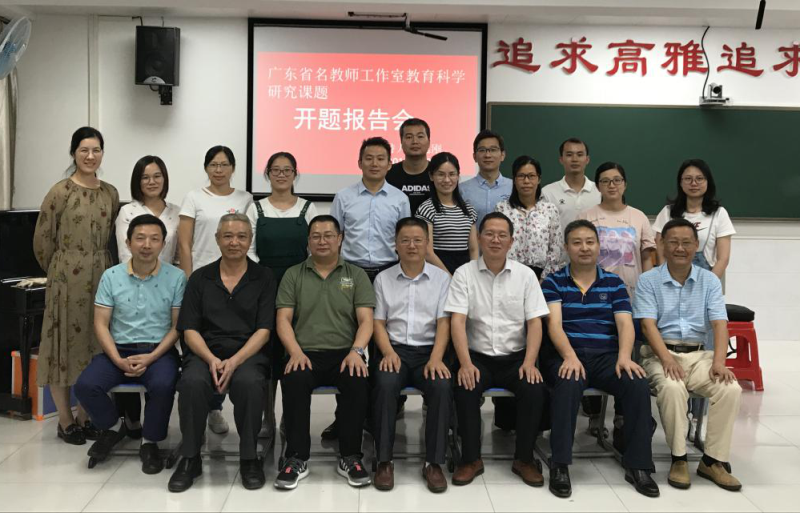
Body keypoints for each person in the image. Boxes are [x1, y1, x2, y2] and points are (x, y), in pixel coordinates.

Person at [540, 220, 658, 499]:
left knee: (636, 383)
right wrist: (569, 356)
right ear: (566, 247)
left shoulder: (614, 283)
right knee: (568, 382)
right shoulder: (553, 282)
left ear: (598, 246)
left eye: (589, 242)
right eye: (577, 242)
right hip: (567, 354)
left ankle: (639, 465)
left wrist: (625, 357)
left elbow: (625, 324)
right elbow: (554, 325)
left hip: (607, 356)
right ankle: (560, 464)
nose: (584, 248)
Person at [168, 213, 276, 493]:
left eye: (241, 236)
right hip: (205, 352)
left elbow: (264, 330)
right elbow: (189, 329)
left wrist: (235, 361)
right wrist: (213, 360)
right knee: (192, 383)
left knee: (249, 383)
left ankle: (249, 458)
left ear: (250, 240)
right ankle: (190, 458)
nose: (234, 242)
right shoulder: (200, 278)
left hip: (249, 353)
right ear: (217, 239)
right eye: (227, 236)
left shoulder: (264, 277)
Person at [634, 218, 742, 492]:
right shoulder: (648, 280)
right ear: (662, 245)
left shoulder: (709, 281)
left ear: (696, 245)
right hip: (659, 354)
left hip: (699, 356)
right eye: (673, 242)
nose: (679, 248)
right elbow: (647, 325)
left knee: (730, 388)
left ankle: (712, 461)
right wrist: (666, 358)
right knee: (672, 388)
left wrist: (719, 362)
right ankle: (679, 458)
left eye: (686, 242)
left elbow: (720, 324)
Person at [74, 214, 185, 474]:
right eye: (140, 238)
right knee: (85, 386)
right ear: (128, 242)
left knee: (163, 385)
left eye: (154, 239)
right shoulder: (111, 276)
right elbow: (101, 324)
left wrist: (151, 357)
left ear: (163, 244)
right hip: (118, 350)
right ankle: (113, 428)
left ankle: (150, 442)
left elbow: (177, 327)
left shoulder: (177, 277)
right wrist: (117, 359)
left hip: (159, 351)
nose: (147, 245)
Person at [445, 212, 549, 487]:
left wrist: (530, 362)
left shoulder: (525, 275)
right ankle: (470, 459)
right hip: (476, 357)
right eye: (489, 234)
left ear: (511, 241)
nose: (495, 240)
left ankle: (524, 459)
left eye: (502, 235)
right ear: (479, 238)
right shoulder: (464, 274)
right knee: (465, 387)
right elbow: (457, 321)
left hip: (516, 358)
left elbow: (535, 322)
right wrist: (465, 363)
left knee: (534, 389)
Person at [274, 215, 375, 490]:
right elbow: (283, 319)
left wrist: (357, 351)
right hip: (304, 352)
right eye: (316, 236)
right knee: (294, 380)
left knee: (357, 381)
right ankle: (296, 457)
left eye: (328, 235)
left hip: (345, 352)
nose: (322, 241)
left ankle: (350, 456)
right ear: (308, 241)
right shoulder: (293, 274)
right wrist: (294, 352)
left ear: (340, 239)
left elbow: (366, 320)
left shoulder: (356, 275)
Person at [33, 126, 119, 445]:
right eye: (84, 150)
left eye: (96, 150)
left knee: (95, 346)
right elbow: (42, 241)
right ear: (73, 153)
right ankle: (65, 420)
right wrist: (61, 270)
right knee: (62, 348)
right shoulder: (60, 192)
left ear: (102, 153)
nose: (90, 156)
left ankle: (85, 415)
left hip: (102, 277)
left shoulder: (110, 193)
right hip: (65, 281)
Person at [371, 217, 453, 493]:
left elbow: (444, 323)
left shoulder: (442, 279)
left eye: (418, 240)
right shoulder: (383, 279)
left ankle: (434, 462)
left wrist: (437, 358)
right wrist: (387, 352)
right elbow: (378, 323)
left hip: (430, 351)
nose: (412, 245)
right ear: (395, 244)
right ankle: (384, 461)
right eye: (405, 240)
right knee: (384, 384)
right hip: (394, 350)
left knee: (441, 386)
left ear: (427, 244)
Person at [178, 145, 253, 435]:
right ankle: (209, 407)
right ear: (206, 168)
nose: (218, 170)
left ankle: (216, 406)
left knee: (229, 341)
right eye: (213, 164)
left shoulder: (245, 199)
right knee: (204, 342)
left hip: (236, 280)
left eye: (224, 165)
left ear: (233, 168)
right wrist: (189, 279)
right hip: (204, 280)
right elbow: (185, 243)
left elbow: (249, 239)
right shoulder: (194, 197)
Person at [246, 151, 318, 438]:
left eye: (287, 170)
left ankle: (291, 415)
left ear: (295, 174)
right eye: (275, 170)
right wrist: (262, 275)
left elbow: (315, 249)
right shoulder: (256, 209)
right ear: (267, 174)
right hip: (263, 286)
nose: (281, 175)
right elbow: (249, 248)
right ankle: (268, 416)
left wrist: (300, 278)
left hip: (300, 286)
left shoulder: (308, 208)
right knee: (268, 353)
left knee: (294, 351)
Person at [331, 136, 411, 282]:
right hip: (350, 270)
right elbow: (334, 236)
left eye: (380, 159)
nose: (374, 164)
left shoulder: (400, 199)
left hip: (389, 270)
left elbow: (405, 238)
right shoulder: (343, 197)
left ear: (389, 164)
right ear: (360, 163)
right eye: (369, 158)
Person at [577, 162, 655, 299]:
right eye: (605, 181)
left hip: (633, 293)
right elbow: (578, 258)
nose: (612, 185)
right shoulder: (585, 217)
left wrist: (647, 291)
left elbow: (646, 258)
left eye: (617, 180)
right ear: (597, 186)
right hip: (595, 291)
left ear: (625, 184)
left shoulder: (639, 216)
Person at [653, 159, 734, 280]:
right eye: (688, 179)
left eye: (699, 178)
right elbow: (660, 250)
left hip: (706, 279)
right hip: (670, 280)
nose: (694, 183)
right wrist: (666, 279)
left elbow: (723, 259)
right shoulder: (667, 212)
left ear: (708, 182)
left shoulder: (719, 213)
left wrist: (709, 285)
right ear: (680, 182)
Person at [495, 155, 561, 280]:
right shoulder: (502, 209)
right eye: (521, 176)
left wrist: (544, 280)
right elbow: (497, 243)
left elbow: (555, 249)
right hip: (508, 274)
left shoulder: (550, 210)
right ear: (514, 179)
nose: (526, 181)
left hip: (541, 276)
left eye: (531, 176)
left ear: (539, 179)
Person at [415, 152, 478, 275]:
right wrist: (448, 277)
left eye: (452, 174)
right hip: (437, 273)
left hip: (465, 273)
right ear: (431, 176)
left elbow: (474, 249)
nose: (447, 180)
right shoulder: (426, 209)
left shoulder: (469, 210)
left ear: (458, 176)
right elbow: (428, 252)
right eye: (441, 174)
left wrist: (472, 274)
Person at [115, 156, 180, 264]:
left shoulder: (177, 212)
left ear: (164, 179)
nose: (152, 182)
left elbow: (179, 256)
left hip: (169, 273)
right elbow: (125, 255)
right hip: (134, 273)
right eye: (145, 178)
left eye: (157, 176)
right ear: (137, 181)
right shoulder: (127, 211)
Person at [541, 138, 601, 232]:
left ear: (587, 159)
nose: (574, 159)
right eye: (569, 155)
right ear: (561, 159)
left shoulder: (600, 191)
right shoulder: (547, 193)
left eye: (580, 155)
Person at [460, 130, 512, 226]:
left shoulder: (514, 188)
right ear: (474, 156)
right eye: (482, 150)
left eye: (493, 150)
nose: (487, 155)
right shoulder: (462, 190)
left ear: (502, 155)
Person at [386, 118, 433, 215]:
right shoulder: (388, 173)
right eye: (409, 137)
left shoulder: (438, 173)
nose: (415, 141)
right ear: (401, 142)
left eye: (420, 136)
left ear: (429, 142)